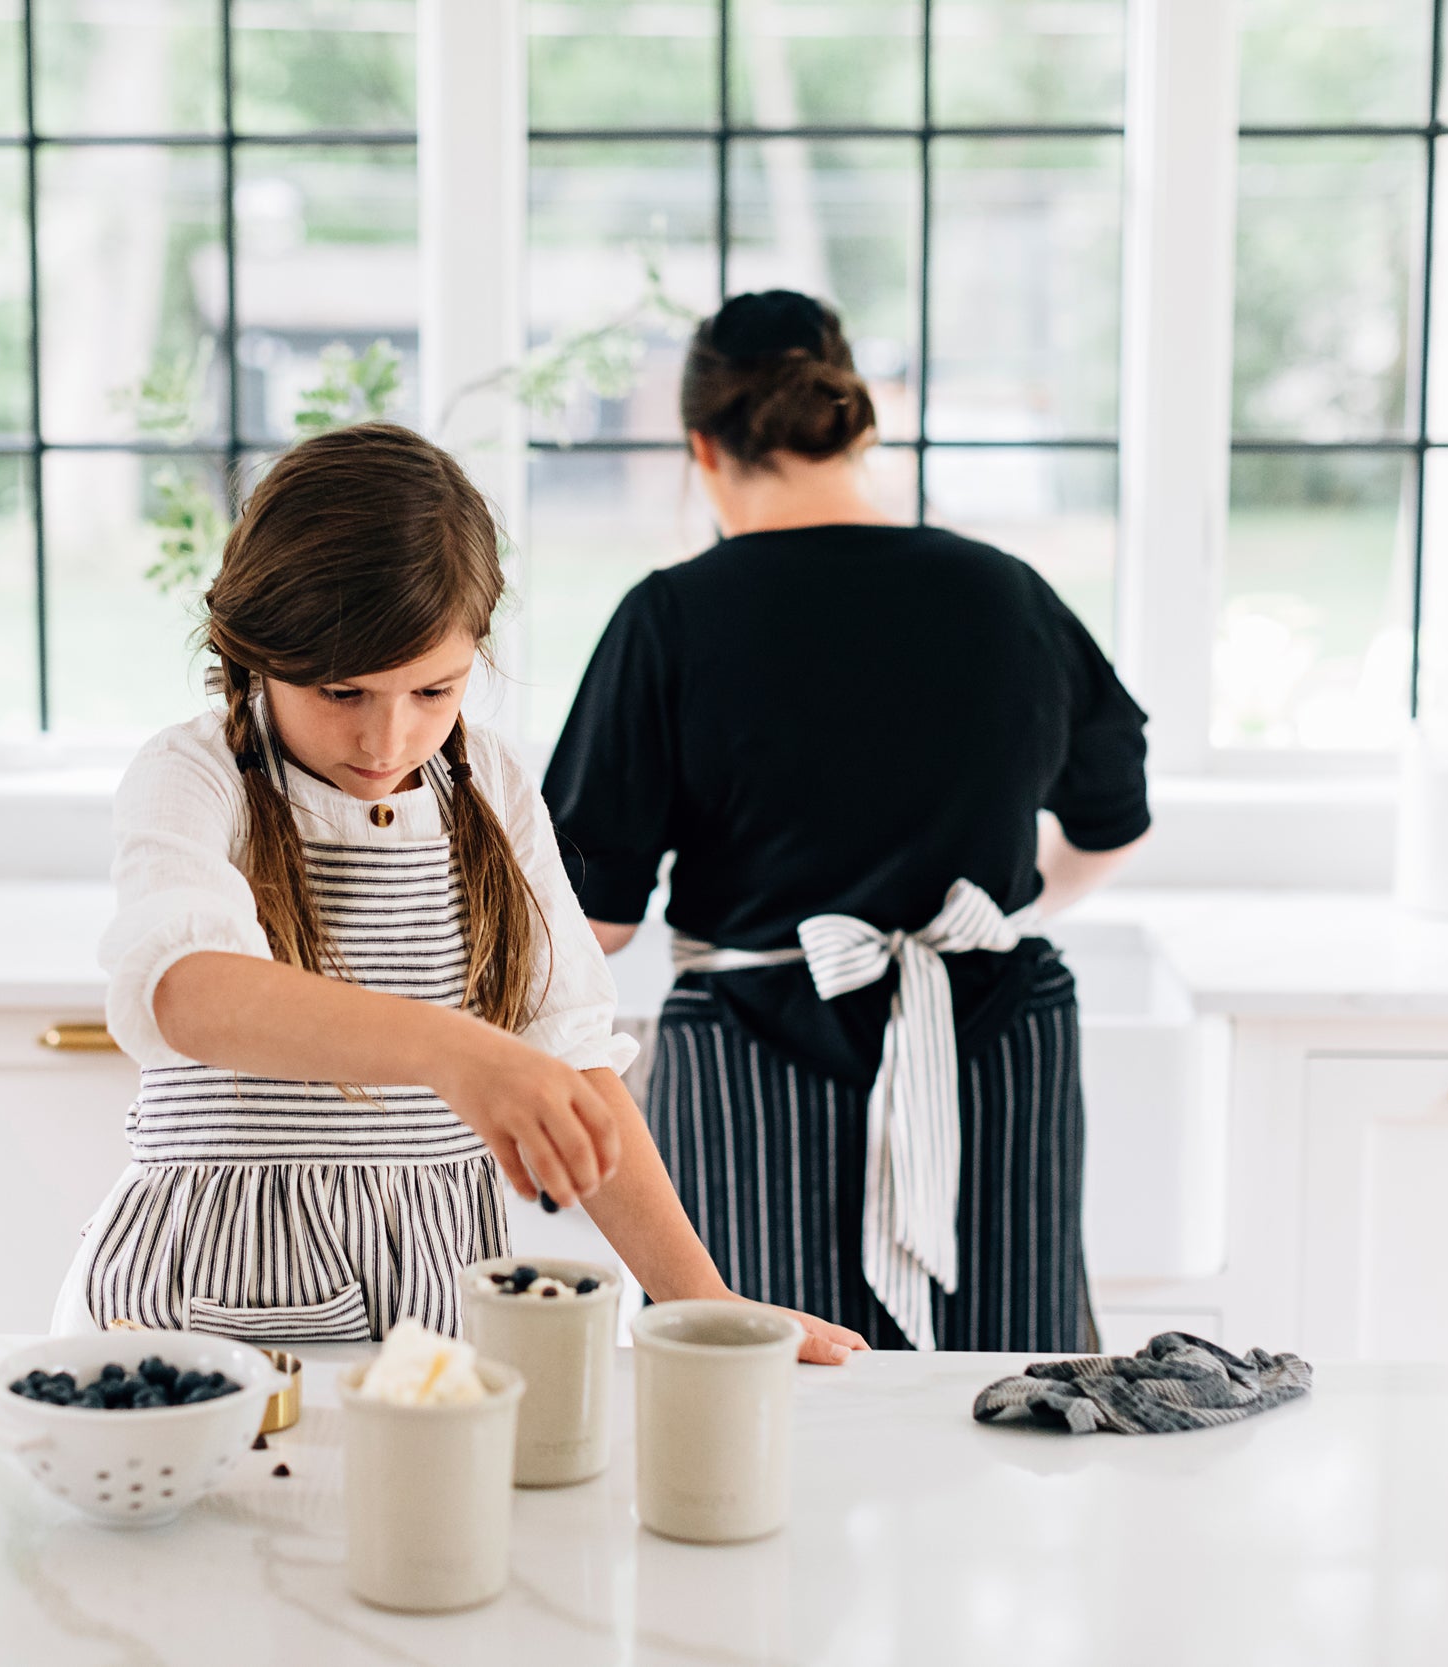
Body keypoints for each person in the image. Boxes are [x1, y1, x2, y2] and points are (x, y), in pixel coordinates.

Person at [52, 421, 865, 1364]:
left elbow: (574, 1061)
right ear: (253, 646)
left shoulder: (496, 788)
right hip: (198, 1306)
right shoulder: (196, 777)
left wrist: (705, 1304)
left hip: (436, 1295)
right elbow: (188, 992)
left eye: (433, 692)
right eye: (342, 693)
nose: (388, 741)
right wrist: (460, 1053)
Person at [543, 291, 1152, 1353]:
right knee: (1006, 1407)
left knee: (759, 1413)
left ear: (702, 446)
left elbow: (593, 923)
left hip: (752, 1061)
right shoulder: (1006, 594)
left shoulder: (670, 617)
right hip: (992, 1049)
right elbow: (1113, 819)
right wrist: (999, 905)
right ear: (857, 426)